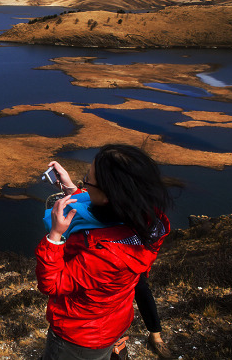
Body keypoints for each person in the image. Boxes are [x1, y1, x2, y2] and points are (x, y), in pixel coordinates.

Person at [35, 144, 172, 360]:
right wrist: (71, 189)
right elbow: (101, 211)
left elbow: (51, 284)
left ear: (110, 194)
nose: (85, 184)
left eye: (88, 180)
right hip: (110, 324)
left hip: (79, 336)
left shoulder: (104, 254)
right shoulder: (140, 221)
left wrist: (55, 235)